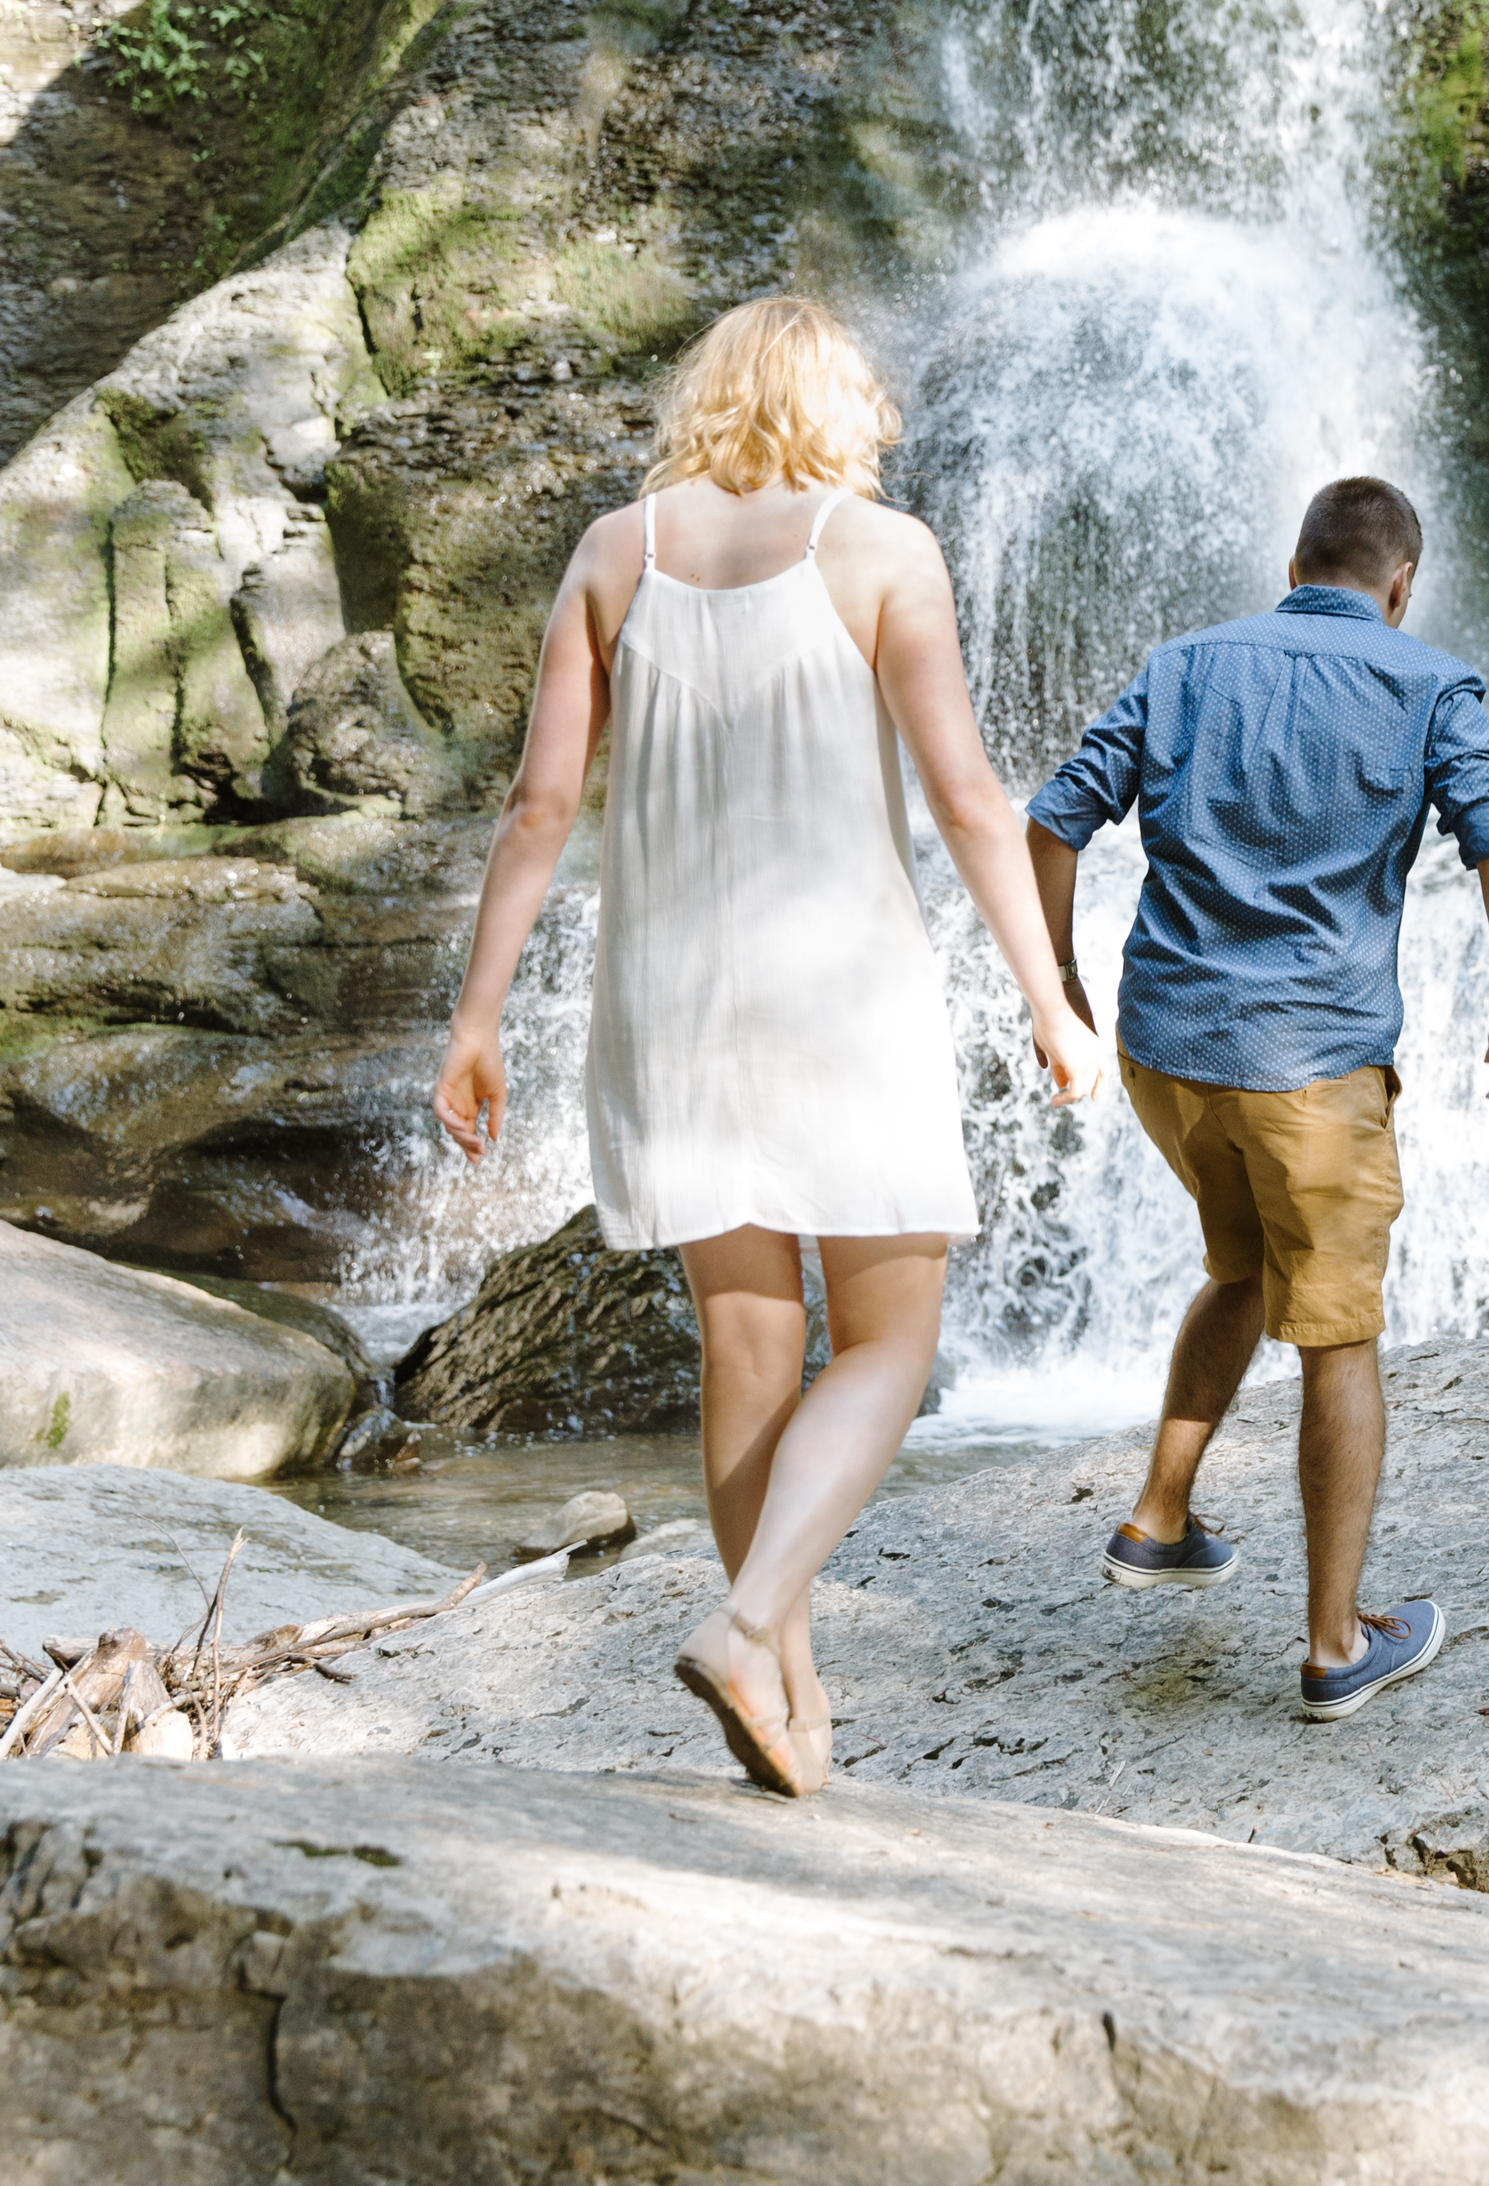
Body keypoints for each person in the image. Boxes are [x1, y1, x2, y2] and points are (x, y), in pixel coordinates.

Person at [433, 295, 1101, 1799]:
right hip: (843, 991)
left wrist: (478, 1018)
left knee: (748, 1342)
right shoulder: (884, 552)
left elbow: (540, 807)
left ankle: (786, 1687)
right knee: (888, 1343)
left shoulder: (620, 550)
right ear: (839, 407)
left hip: (667, 1001)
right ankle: (749, 1627)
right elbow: (973, 802)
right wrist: (1051, 996)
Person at [1022, 476, 1489, 1723]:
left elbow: (1048, 822)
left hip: (1169, 1054)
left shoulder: (1186, 663)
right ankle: (1332, 1646)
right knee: (1338, 1331)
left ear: (1296, 558)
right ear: (1401, 583)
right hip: (1309, 1068)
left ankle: (1159, 1518)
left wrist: (1058, 987)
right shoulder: (1430, 685)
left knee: (1248, 1264)